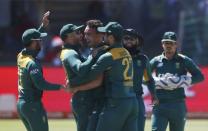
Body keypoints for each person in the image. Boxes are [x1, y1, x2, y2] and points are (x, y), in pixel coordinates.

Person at [70, 22, 138, 131]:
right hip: (132, 102)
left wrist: (73, 83)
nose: (103, 36)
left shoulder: (108, 56)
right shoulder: (126, 52)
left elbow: (89, 75)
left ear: (111, 37)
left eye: (105, 34)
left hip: (116, 102)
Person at [16, 11, 64, 131]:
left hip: (22, 104)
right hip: (33, 106)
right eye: (39, 40)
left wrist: (42, 26)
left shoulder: (21, 55)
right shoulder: (32, 64)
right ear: (33, 43)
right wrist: (62, 87)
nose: (41, 42)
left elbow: (29, 38)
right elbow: (41, 84)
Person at [150, 31, 204, 131]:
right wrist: (158, 82)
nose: (169, 46)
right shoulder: (156, 61)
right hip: (159, 105)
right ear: (162, 44)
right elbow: (143, 77)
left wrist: (182, 81)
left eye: (171, 43)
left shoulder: (184, 60)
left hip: (178, 105)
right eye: (166, 43)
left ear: (176, 44)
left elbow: (200, 76)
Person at [59, 23, 102, 131]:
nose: (81, 35)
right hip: (83, 100)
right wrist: (92, 56)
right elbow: (81, 70)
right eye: (77, 33)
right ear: (68, 37)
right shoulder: (70, 53)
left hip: (82, 98)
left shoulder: (71, 51)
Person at [122, 28, 159, 131]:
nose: (129, 41)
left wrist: (154, 95)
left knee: (138, 128)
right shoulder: (114, 56)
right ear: (121, 40)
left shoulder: (142, 59)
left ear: (137, 41)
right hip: (119, 98)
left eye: (132, 39)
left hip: (137, 98)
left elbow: (149, 80)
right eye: (126, 38)